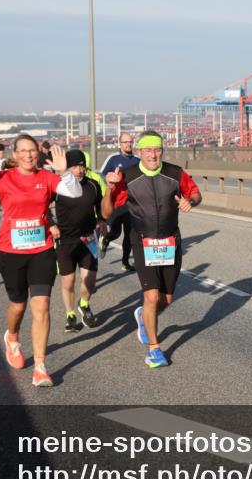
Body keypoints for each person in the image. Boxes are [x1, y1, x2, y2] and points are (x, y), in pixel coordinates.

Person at [0, 135, 80, 387]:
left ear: (38, 153)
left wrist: (65, 173)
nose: (29, 155)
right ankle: (13, 338)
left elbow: (74, 193)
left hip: (41, 251)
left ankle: (40, 366)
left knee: (42, 306)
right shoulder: (4, 178)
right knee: (18, 306)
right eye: (23, 151)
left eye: (33, 151)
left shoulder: (46, 177)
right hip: (11, 253)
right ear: (15, 154)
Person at [101, 132, 202, 369]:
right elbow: (106, 213)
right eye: (148, 150)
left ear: (162, 151)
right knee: (152, 296)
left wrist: (191, 202)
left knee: (166, 299)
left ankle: (143, 316)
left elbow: (196, 193)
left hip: (170, 243)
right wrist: (109, 188)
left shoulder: (175, 173)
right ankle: (154, 350)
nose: (153, 154)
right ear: (139, 152)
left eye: (157, 149)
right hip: (143, 242)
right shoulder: (127, 177)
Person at [53, 150, 105, 332]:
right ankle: (70, 315)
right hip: (65, 239)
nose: (79, 170)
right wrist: (51, 225)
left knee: (90, 280)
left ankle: (84, 303)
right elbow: (43, 206)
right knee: (68, 282)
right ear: (67, 168)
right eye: (74, 166)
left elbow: (100, 207)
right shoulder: (58, 186)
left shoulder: (93, 185)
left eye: (81, 166)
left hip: (88, 237)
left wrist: (102, 221)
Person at [99, 134, 139, 270]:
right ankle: (106, 240)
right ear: (120, 144)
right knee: (116, 232)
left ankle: (125, 262)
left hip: (131, 203)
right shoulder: (113, 159)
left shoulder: (137, 160)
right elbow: (102, 174)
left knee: (130, 233)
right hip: (116, 203)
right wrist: (110, 179)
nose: (128, 144)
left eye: (130, 141)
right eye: (125, 142)